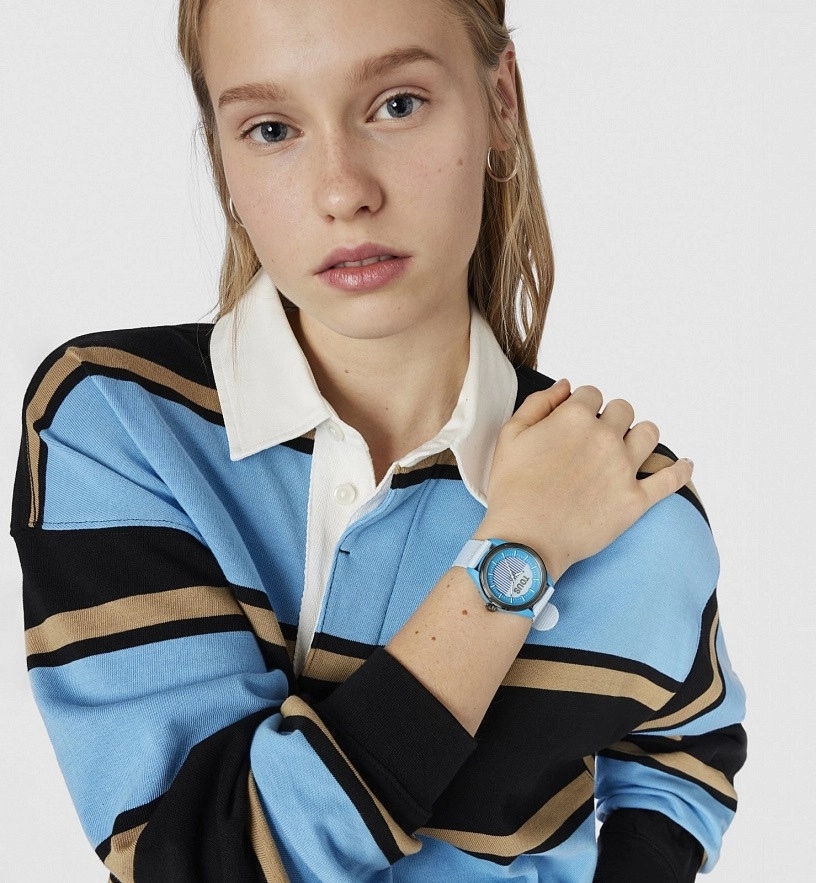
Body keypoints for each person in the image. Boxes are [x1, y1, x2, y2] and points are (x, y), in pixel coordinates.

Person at [11, 0, 747, 880]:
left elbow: (684, 757)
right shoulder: (122, 424)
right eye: (272, 128)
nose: (343, 190)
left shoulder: (620, 491)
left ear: (499, 102)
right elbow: (204, 862)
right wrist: (517, 554)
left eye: (396, 104)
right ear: (221, 157)